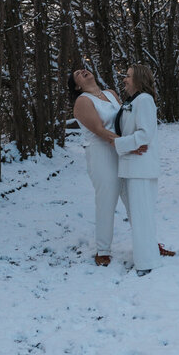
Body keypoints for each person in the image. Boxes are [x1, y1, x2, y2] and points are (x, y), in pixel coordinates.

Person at [109, 64, 174, 276]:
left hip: (141, 168)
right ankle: (145, 256)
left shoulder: (144, 100)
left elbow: (145, 135)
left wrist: (119, 144)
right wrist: (127, 145)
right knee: (137, 217)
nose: (124, 79)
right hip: (131, 167)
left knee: (141, 216)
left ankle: (147, 263)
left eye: (127, 76)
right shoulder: (133, 101)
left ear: (138, 79)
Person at [69, 68, 124, 267]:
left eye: (84, 69)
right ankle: (103, 250)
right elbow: (100, 131)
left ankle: (147, 243)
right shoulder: (82, 101)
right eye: (77, 74)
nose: (83, 71)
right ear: (77, 85)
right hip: (101, 153)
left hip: (122, 148)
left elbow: (124, 119)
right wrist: (129, 144)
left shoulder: (111, 94)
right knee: (106, 199)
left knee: (135, 197)